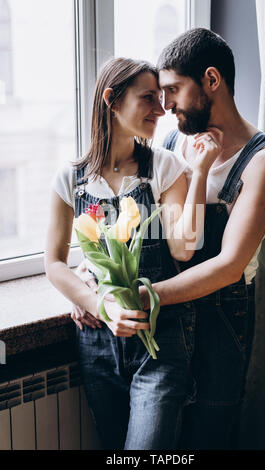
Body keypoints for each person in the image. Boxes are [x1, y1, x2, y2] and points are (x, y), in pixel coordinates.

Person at [73, 29, 265, 449]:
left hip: (218, 321)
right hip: (165, 325)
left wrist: (146, 295)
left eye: (172, 91)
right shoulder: (168, 143)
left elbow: (229, 266)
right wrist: (91, 270)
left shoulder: (263, 162)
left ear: (211, 80)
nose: (165, 107)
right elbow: (122, 223)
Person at [45, 56, 223, 450]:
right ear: (111, 99)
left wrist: (201, 172)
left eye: (162, 98)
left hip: (160, 340)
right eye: (148, 98)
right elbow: (54, 263)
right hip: (97, 344)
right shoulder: (71, 179)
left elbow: (183, 245)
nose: (161, 110)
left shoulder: (163, 166)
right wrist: (95, 301)